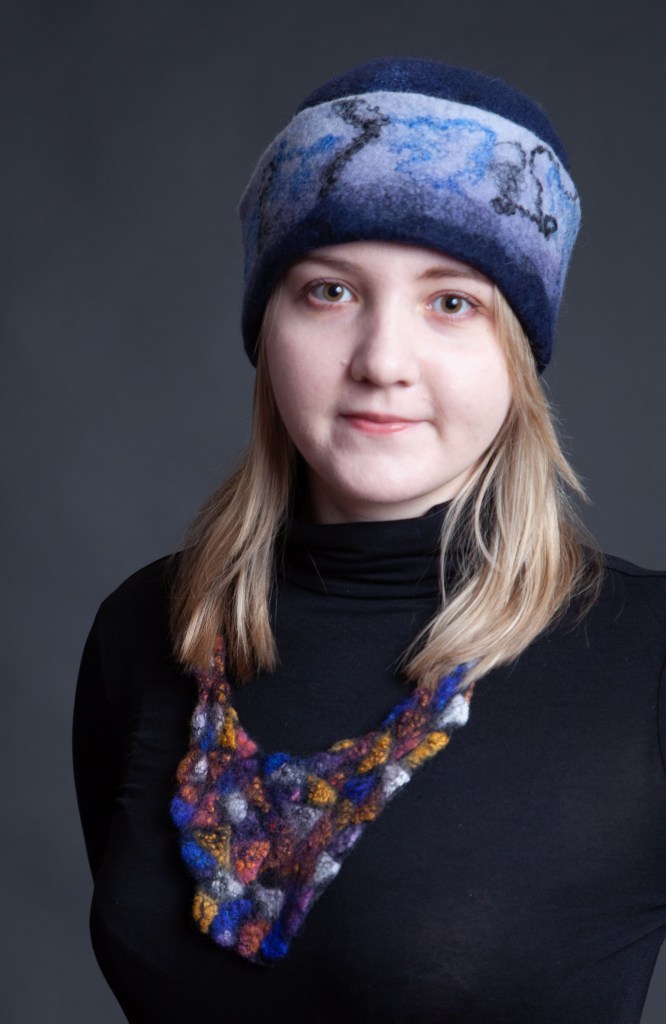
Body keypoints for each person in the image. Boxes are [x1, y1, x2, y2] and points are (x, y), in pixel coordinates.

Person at [73, 57, 666, 1024]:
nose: (383, 361)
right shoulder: (147, 627)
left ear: (519, 355)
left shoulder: (647, 659)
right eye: (330, 291)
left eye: (452, 302)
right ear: (267, 326)